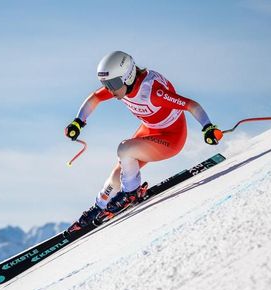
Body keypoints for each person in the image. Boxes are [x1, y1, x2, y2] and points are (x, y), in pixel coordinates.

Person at [65, 51, 223, 233]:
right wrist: (78, 122)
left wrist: (208, 127)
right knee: (118, 175)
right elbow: (95, 98)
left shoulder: (152, 91)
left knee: (124, 149)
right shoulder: (122, 86)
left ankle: (131, 193)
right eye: (105, 84)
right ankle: (99, 206)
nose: (110, 90)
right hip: (149, 130)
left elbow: (191, 105)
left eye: (113, 84)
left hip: (170, 138)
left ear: (128, 75)